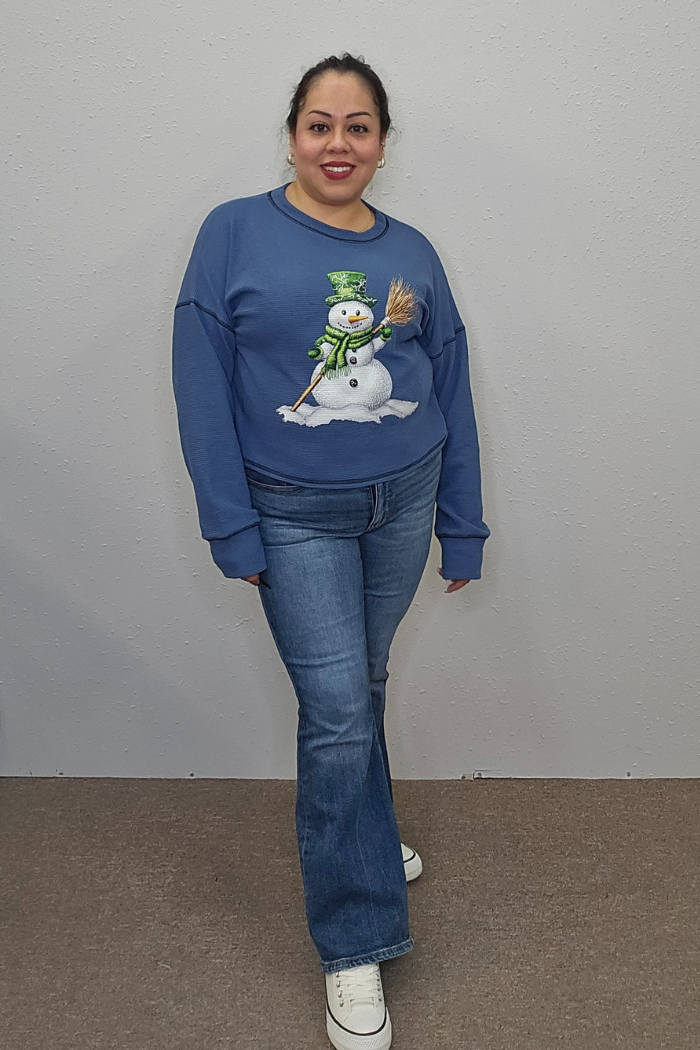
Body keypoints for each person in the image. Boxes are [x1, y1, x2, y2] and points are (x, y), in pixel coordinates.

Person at [172, 53, 490, 1050]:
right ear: (293, 134)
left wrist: (462, 519)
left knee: (361, 683)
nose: (337, 144)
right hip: (291, 512)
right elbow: (199, 382)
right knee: (340, 708)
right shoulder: (232, 234)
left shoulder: (416, 255)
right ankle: (352, 945)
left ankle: (355, 832)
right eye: (319, 124)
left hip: (404, 499)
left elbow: (447, 384)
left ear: (383, 144)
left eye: (357, 128)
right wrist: (229, 521)